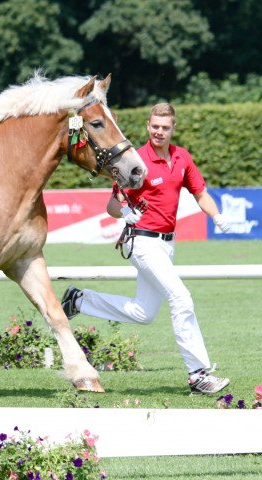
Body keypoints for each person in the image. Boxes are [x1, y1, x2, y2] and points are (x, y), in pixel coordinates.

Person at [61, 103, 231, 395]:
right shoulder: (135, 161)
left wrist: (216, 216)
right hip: (141, 242)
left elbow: (200, 193)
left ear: (173, 129)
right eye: (155, 126)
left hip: (166, 244)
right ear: (148, 125)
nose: (159, 132)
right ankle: (198, 374)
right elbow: (112, 205)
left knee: (144, 312)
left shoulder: (182, 157)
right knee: (181, 299)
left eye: (165, 127)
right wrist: (125, 213)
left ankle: (79, 300)